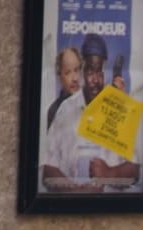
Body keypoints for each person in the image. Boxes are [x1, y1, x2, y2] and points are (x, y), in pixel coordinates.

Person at [40, 34, 137, 192]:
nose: (96, 79)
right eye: (91, 71)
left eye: (100, 72)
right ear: (82, 71)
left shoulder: (117, 108)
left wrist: (109, 173)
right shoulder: (65, 109)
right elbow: (48, 171)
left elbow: (135, 171)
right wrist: (76, 192)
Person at [45, 46, 82, 129]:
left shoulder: (90, 104)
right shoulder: (54, 111)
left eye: (76, 70)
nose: (74, 78)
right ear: (59, 77)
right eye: (68, 72)